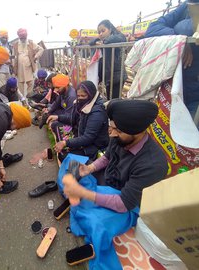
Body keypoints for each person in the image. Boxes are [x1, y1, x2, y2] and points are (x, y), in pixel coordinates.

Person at [60, 99, 168, 269]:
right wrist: (88, 169)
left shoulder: (153, 164)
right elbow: (107, 157)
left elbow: (124, 204)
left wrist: (83, 192)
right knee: (71, 163)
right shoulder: (120, 137)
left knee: (97, 223)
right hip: (108, 183)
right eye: (112, 127)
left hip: (129, 204)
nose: (112, 134)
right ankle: (79, 197)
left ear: (137, 132)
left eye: (117, 130)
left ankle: (79, 201)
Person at [144, 0, 199, 119]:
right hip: (180, 86)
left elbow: (184, 27)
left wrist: (179, 30)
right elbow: (152, 29)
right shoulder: (186, 5)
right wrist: (180, 40)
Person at [48, 80, 109, 162]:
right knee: (55, 125)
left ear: (91, 94)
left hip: (93, 147)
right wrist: (58, 117)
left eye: (83, 96)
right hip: (79, 134)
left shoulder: (97, 112)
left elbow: (88, 138)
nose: (80, 98)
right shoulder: (80, 104)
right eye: (78, 96)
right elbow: (72, 119)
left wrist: (66, 143)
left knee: (63, 156)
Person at [89, 19, 127, 100]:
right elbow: (90, 42)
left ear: (110, 29)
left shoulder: (118, 36)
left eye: (103, 30)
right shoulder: (104, 41)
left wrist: (103, 42)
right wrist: (96, 41)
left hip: (117, 75)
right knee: (110, 98)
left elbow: (121, 38)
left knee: (114, 100)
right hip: (109, 75)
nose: (101, 34)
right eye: (99, 32)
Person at [13, 28, 44, 96]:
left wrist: (36, 57)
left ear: (26, 36)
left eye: (24, 37)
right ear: (19, 37)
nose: (23, 39)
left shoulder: (31, 43)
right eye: (22, 38)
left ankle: (29, 98)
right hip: (19, 69)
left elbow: (41, 49)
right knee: (20, 85)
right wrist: (13, 68)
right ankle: (22, 100)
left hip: (29, 67)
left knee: (30, 83)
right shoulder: (15, 44)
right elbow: (13, 57)